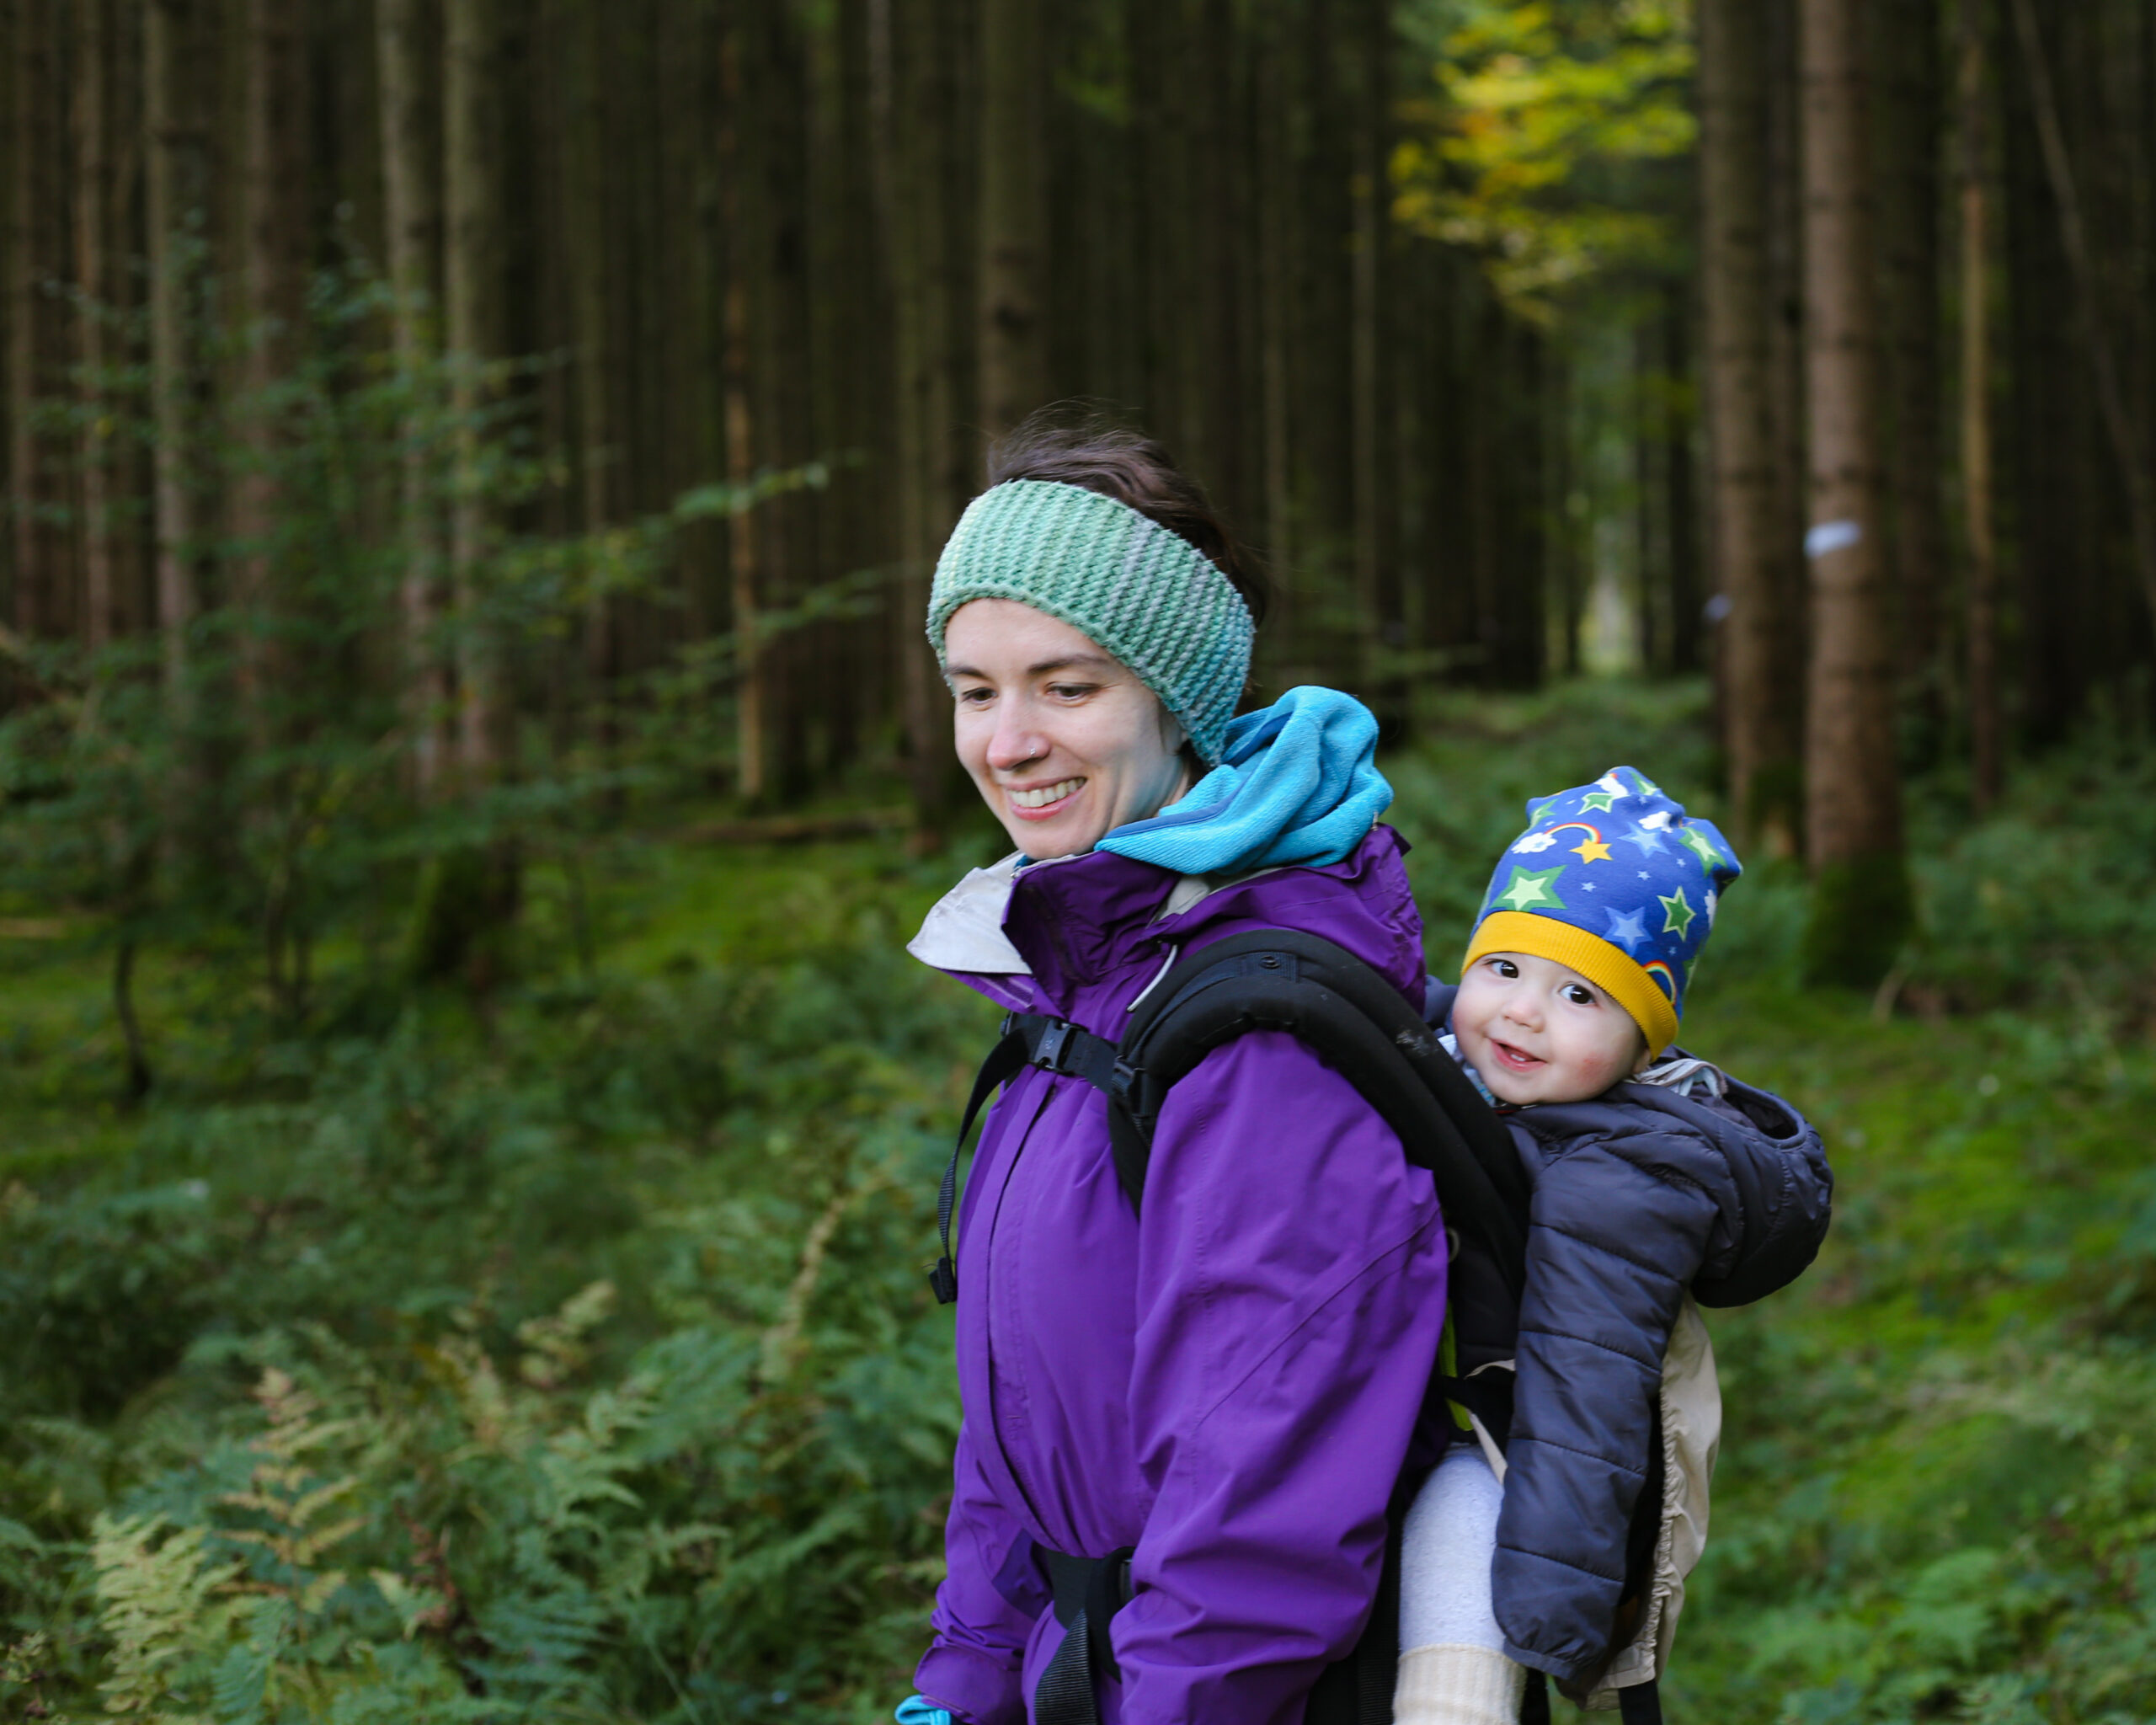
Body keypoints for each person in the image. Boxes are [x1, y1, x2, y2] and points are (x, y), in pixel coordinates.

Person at [895, 417, 1448, 1725]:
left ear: (1175, 700)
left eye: (1066, 687)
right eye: (976, 691)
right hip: (1081, 1675)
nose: (1008, 742)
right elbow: (1025, 1415)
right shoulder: (1088, 975)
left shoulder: (1259, 1036)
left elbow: (1259, 1530)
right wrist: (965, 1677)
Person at [1396, 769, 1831, 1724]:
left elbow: (1585, 1391)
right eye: (1503, 969)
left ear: (1643, 1048)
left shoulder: (1620, 1177)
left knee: (1459, 1536)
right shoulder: (1455, 1058)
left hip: (1507, 1452)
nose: (1522, 1012)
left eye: (1579, 994)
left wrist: (1559, 1609)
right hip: (1426, 1402)